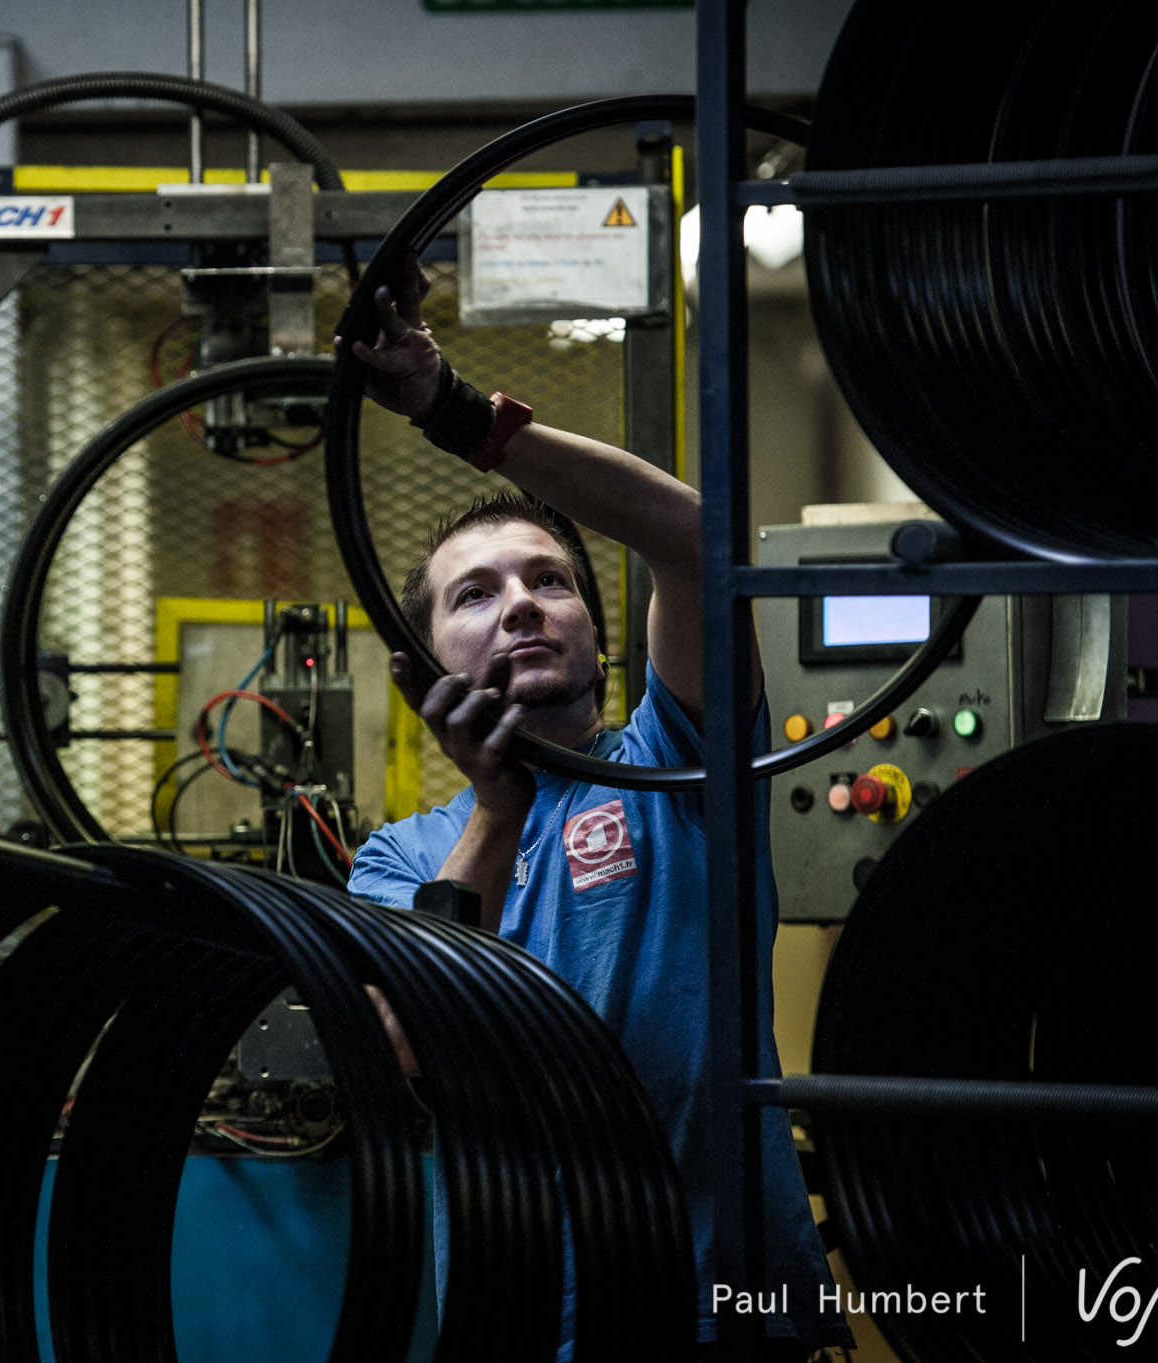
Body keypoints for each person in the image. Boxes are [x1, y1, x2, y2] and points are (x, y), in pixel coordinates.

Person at [338, 270, 853, 1362]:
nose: (522, 603)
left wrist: (454, 411)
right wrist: (496, 810)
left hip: (729, 1317)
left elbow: (696, 538)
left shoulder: (675, 762)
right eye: (475, 595)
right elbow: (404, 1045)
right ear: (423, 662)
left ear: (598, 635)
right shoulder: (400, 858)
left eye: (551, 580)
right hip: (528, 1322)